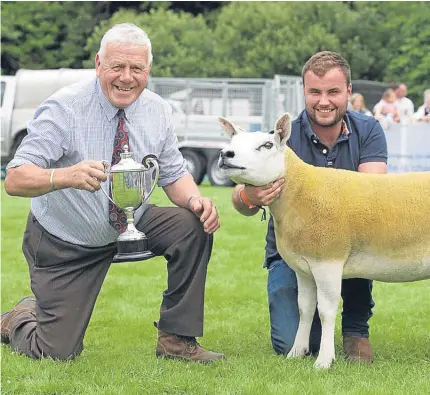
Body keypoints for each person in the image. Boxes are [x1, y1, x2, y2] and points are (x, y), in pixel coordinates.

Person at [1, 23, 225, 363]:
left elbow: (175, 172)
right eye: (117, 66)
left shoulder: (158, 110)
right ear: (98, 64)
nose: (126, 77)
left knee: (193, 225)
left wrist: (196, 199)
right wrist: (65, 175)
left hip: (135, 221)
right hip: (66, 242)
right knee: (56, 352)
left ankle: (176, 341)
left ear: (148, 69)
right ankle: (18, 317)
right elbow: (15, 178)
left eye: (136, 68)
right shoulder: (64, 108)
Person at [231, 51, 387, 362]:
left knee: (350, 242)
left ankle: (356, 329)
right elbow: (239, 200)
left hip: (351, 246)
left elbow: (373, 194)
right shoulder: (280, 137)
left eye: (333, 92)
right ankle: (310, 332)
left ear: (349, 91)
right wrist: (251, 196)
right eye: (315, 92)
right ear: (304, 91)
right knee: (290, 341)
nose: (324, 101)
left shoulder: (368, 130)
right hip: (291, 253)